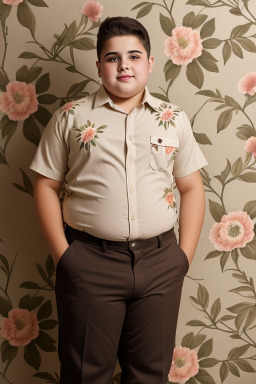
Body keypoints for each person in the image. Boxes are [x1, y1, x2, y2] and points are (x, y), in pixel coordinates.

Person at [30, 16, 207, 384]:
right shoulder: (70, 118)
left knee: (149, 375)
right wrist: (66, 258)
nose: (124, 65)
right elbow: (45, 185)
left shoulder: (173, 120)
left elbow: (191, 187)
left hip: (161, 264)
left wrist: (182, 259)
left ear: (149, 63)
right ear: (99, 66)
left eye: (134, 56)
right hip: (88, 262)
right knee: (84, 375)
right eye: (112, 58)